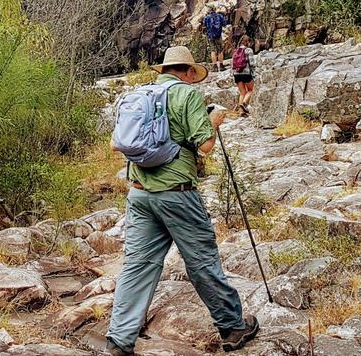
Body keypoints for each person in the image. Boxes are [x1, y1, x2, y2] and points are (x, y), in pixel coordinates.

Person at [106, 46, 259, 355]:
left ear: (164, 70)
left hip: (139, 193)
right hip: (176, 194)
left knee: (137, 266)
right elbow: (205, 145)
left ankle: (119, 340)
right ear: (188, 72)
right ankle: (232, 327)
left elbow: (117, 143)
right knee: (201, 261)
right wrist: (213, 121)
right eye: (193, 75)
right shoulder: (187, 94)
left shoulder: (141, 94)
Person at [231, 36, 255, 115]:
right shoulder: (248, 50)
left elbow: (232, 64)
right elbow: (252, 64)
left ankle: (241, 112)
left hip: (236, 74)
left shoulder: (235, 51)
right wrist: (254, 74)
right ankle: (244, 103)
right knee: (251, 90)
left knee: (242, 92)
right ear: (248, 42)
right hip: (246, 73)